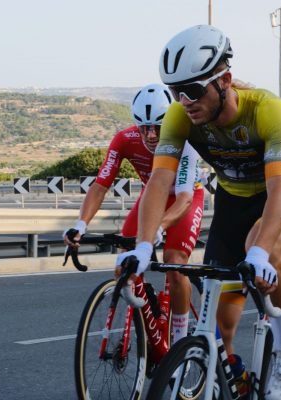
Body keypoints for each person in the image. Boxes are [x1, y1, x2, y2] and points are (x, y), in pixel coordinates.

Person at [118, 25, 281, 399]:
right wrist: (144, 246)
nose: (184, 101)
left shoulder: (267, 110)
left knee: (263, 248)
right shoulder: (180, 116)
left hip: (280, 196)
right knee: (223, 326)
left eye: (193, 90)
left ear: (224, 80)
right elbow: (159, 183)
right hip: (232, 203)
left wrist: (260, 253)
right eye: (175, 92)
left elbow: (280, 189)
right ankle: (236, 380)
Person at [64, 83, 205, 344]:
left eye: (158, 127)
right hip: (152, 197)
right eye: (144, 128)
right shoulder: (124, 140)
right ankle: (145, 325)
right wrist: (80, 225)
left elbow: (184, 199)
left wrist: (158, 229)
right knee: (124, 261)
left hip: (185, 198)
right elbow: (100, 185)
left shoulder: (184, 140)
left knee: (175, 263)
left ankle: (179, 343)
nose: (151, 135)